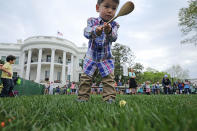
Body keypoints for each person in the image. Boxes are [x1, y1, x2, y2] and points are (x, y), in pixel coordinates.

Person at [77, 0, 120, 103]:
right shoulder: (92, 21)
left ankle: (109, 99)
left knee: (109, 80)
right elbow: (86, 32)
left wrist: (108, 31)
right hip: (91, 57)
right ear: (97, 8)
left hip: (106, 58)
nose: (110, 11)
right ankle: (82, 98)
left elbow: (114, 37)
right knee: (85, 79)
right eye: (106, 6)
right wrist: (95, 30)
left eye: (114, 8)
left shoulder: (114, 25)